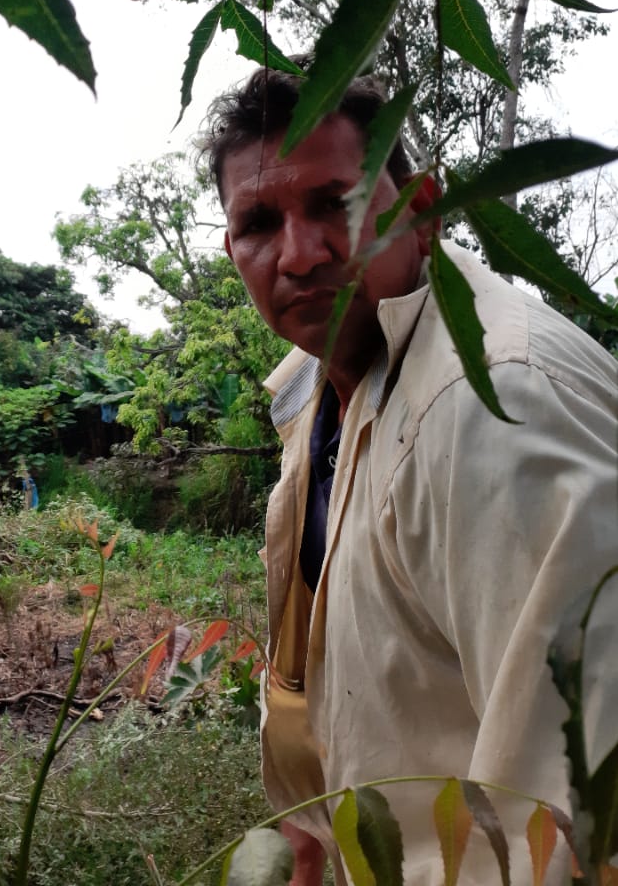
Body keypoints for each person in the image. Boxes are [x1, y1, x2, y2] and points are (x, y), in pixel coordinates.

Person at [201, 66, 618, 886]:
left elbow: (581, 820)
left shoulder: (494, 407)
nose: (299, 255)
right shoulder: (326, 384)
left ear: (421, 211)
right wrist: (313, 824)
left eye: (336, 204)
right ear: (232, 249)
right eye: (258, 222)